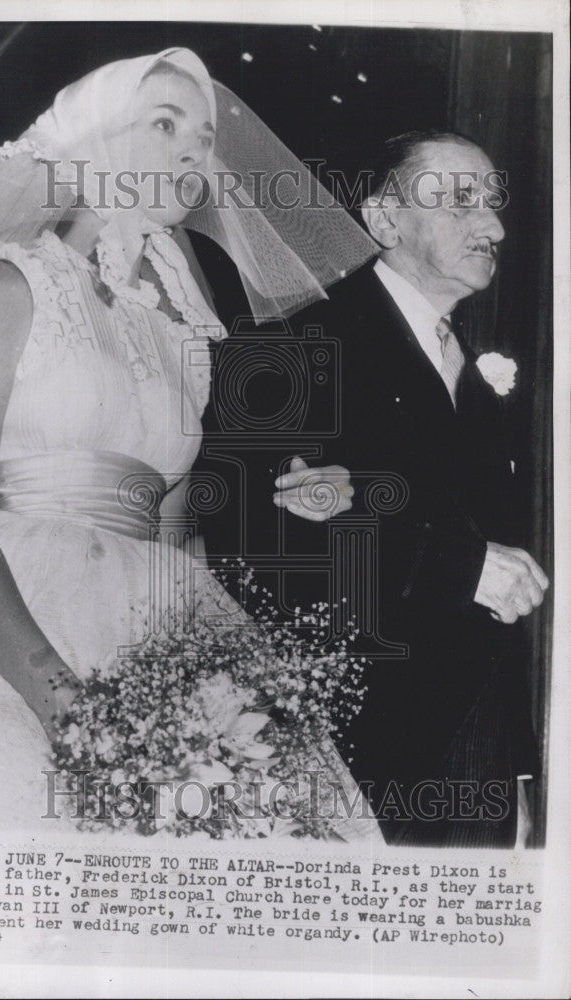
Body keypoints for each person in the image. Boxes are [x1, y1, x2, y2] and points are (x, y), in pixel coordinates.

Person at [0, 48, 379, 832]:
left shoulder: (186, 335)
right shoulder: (8, 284)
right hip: (3, 622)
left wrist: (204, 692)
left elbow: (177, 543)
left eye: (202, 132)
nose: (194, 147)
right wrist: (67, 706)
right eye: (164, 123)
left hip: (151, 630)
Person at [212, 130, 548, 847]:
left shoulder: (482, 388)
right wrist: (459, 568)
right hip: (355, 762)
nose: (491, 226)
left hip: (475, 761)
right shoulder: (293, 348)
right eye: (460, 202)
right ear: (385, 219)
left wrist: (513, 769)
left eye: (491, 204)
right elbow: (253, 547)